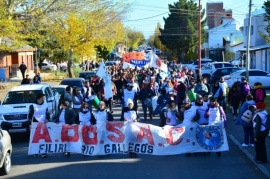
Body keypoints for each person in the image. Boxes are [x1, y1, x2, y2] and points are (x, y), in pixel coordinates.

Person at [28, 93, 49, 158]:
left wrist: (47, 119)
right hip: (35, 123)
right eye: (43, 97)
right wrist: (30, 124)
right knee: (36, 139)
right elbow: (29, 116)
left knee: (44, 138)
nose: (44, 98)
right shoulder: (32, 105)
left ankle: (43, 152)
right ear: (40, 98)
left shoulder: (45, 105)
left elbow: (47, 113)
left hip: (43, 123)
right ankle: (35, 151)